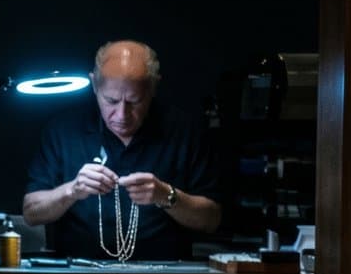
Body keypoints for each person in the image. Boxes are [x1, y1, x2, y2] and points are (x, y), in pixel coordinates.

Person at [21, 40, 221, 260]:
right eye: (111, 100)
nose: (122, 115)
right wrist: (72, 190)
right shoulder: (63, 129)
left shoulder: (185, 131)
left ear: (153, 88)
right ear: (94, 85)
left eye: (135, 101)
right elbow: (31, 213)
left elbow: (210, 220)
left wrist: (167, 195)